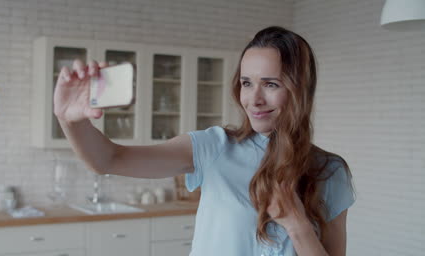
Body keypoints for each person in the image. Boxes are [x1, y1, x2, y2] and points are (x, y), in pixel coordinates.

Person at [54, 26, 355, 256]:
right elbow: (108, 159)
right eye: (247, 83)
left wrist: (297, 225)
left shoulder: (330, 170)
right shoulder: (214, 147)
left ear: (301, 89)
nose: (254, 99)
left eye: (271, 84)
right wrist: (71, 120)